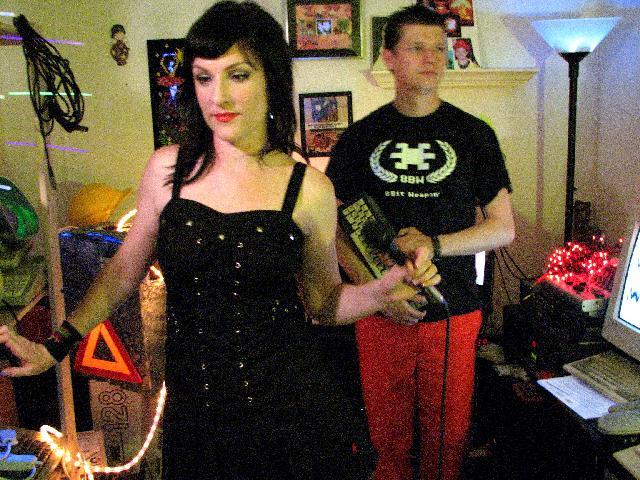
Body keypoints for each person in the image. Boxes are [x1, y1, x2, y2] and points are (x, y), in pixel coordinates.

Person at [0, 2, 439, 479]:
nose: (219, 96)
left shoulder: (309, 189)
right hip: (197, 414)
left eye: (239, 75)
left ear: (271, 79)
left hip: (289, 413)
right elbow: (122, 272)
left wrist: (378, 291)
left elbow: (322, 303)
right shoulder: (167, 170)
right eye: (204, 78)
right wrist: (55, 346)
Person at [325, 5, 515, 480]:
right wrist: (377, 292)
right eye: (416, 47)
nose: (432, 58)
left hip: (453, 312)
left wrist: (434, 242)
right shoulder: (358, 139)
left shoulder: (475, 135)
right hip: (380, 315)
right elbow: (332, 230)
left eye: (439, 48)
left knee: (447, 442)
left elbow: (502, 228)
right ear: (389, 58)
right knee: (385, 443)